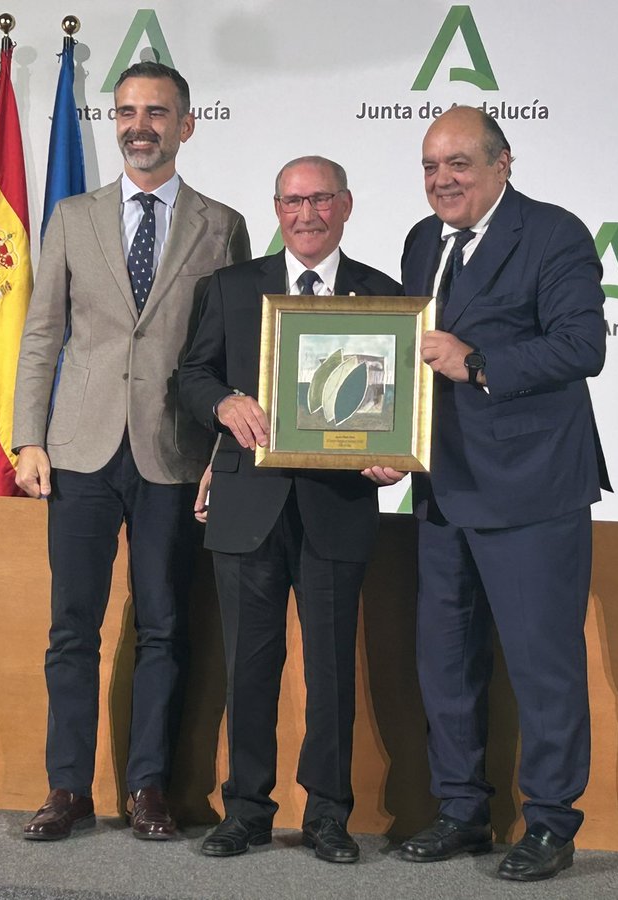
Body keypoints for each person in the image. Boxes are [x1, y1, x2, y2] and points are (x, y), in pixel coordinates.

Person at [12, 61, 249, 842]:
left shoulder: (222, 225)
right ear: (114, 123)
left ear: (187, 124)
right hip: (78, 450)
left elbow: (231, 355)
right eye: (126, 112)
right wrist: (28, 437)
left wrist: (222, 452)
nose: (139, 125)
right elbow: (44, 332)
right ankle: (66, 788)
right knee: (71, 628)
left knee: (165, 626)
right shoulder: (74, 217)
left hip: (172, 453)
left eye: (157, 112)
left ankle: (149, 787)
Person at [397, 106, 611, 880]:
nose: (442, 180)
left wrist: (477, 360)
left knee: (542, 664)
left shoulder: (554, 234)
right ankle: (461, 810)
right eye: (430, 166)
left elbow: (583, 347)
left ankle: (552, 823)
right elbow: (410, 363)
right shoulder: (423, 242)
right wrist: (394, 443)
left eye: (458, 163)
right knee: (445, 662)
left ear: (502, 163)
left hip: (532, 492)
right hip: (442, 488)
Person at [178, 156, 402, 863]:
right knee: (249, 665)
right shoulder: (231, 287)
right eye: (293, 201)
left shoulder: (385, 295)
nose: (306, 214)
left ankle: (329, 815)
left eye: (321, 200)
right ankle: (245, 808)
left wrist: (394, 452)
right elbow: (191, 375)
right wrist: (223, 402)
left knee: (332, 670)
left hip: (338, 505)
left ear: (346, 205)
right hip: (250, 505)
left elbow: (402, 407)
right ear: (277, 209)